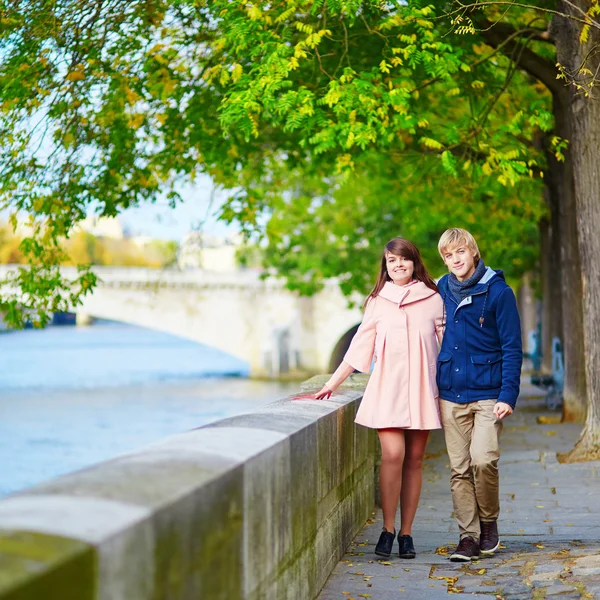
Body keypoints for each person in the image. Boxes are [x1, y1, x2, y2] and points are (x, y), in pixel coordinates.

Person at [314, 237, 444, 559]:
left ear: (414, 262)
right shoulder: (377, 301)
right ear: (385, 266)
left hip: (422, 390)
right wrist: (332, 383)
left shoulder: (434, 299)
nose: (397, 265)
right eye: (391, 261)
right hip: (387, 389)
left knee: (414, 461)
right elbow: (360, 348)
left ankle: (407, 534)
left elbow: (448, 346)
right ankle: (387, 529)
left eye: (403, 259)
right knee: (393, 455)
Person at [436, 228, 522, 562]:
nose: (455, 260)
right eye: (448, 255)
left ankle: (489, 522)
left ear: (473, 251)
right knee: (459, 468)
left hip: (489, 394)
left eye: (460, 252)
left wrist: (508, 395)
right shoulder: (441, 289)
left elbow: (513, 347)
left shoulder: (499, 293)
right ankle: (468, 537)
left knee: (483, 460)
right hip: (451, 393)